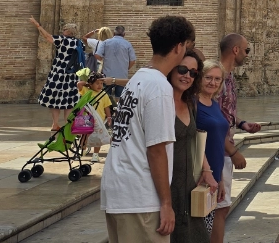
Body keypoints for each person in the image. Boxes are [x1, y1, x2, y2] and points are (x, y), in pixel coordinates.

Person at [100, 15, 196, 243]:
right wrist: (166, 203)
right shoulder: (159, 87)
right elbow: (156, 149)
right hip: (140, 198)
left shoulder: (138, 79)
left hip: (118, 191)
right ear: (179, 46)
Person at [212, 33, 262, 241]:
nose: (247, 54)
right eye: (246, 50)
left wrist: (241, 124)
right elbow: (210, 121)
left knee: (221, 207)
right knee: (219, 208)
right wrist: (232, 152)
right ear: (235, 50)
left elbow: (225, 112)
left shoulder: (229, 76)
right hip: (218, 150)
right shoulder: (217, 78)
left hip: (225, 146)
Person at [167, 49, 219, 243]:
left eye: (193, 72)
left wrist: (206, 170)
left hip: (189, 183)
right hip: (167, 187)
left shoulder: (189, 102)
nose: (187, 76)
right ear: (171, 69)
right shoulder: (161, 102)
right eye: (182, 69)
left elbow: (193, 138)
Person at [196, 60, 232, 240]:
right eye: (208, 77)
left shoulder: (214, 103)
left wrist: (222, 179)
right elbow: (193, 141)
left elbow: (218, 143)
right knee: (200, 230)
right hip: (200, 174)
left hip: (214, 175)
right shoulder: (193, 104)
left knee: (208, 227)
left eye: (218, 79)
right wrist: (207, 170)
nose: (213, 82)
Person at [29, 17, 82, 131]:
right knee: (69, 100)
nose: (63, 31)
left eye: (64, 29)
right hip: (72, 75)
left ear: (68, 31)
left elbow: (48, 37)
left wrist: (38, 25)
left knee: (55, 99)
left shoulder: (62, 40)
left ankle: (55, 124)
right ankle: (67, 124)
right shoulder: (79, 43)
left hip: (58, 74)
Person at [76, 71, 113, 162]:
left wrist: (109, 117)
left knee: (98, 137)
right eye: (97, 83)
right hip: (86, 118)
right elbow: (79, 84)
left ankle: (95, 155)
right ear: (91, 84)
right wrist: (88, 83)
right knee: (85, 135)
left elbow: (107, 107)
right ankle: (82, 150)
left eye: (101, 83)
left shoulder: (104, 94)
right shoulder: (86, 91)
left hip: (99, 119)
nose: (100, 85)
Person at [95, 26, 137, 101]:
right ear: (124, 34)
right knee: (120, 98)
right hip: (122, 76)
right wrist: (126, 68)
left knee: (105, 97)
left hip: (107, 74)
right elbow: (133, 61)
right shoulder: (128, 44)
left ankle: (107, 112)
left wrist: (103, 60)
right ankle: (117, 112)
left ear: (114, 33)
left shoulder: (106, 42)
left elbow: (97, 55)